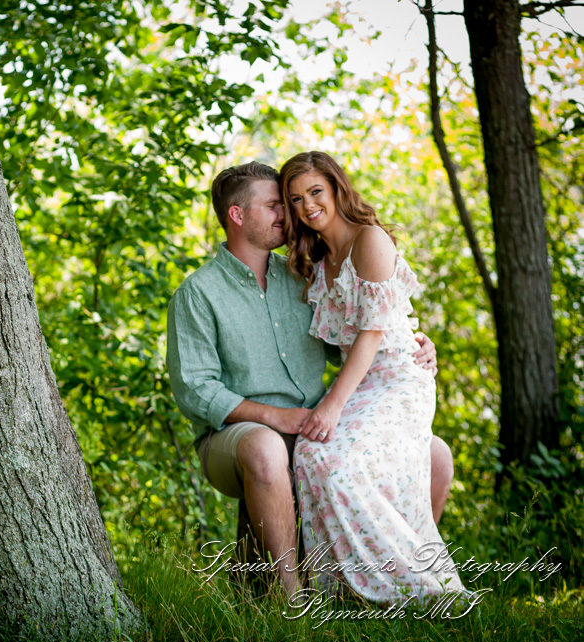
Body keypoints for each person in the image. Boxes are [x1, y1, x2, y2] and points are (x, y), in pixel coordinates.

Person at [166, 161, 454, 597]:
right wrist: (274, 417)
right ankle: (291, 597)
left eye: (289, 203)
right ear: (238, 216)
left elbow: (349, 340)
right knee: (265, 447)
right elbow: (195, 390)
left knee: (434, 452)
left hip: (310, 419)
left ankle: (400, 570)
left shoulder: (301, 274)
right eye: (276, 205)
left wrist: (410, 341)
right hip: (235, 435)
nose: (288, 213)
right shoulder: (199, 293)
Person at [281, 151, 464, 602]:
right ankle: (343, 589)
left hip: (400, 378)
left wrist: (332, 405)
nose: (308, 206)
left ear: (337, 188)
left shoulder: (370, 240)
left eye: (316, 192)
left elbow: (372, 333)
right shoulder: (319, 260)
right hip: (361, 381)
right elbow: (342, 341)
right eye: (296, 199)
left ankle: (415, 587)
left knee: (338, 465)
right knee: (310, 454)